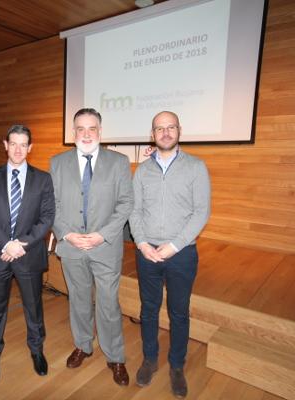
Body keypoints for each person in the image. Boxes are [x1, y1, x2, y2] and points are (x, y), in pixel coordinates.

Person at [129, 111, 211, 398]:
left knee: (179, 312)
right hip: (147, 253)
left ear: (179, 130)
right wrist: (141, 243)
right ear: (152, 134)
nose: (165, 132)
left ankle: (177, 366)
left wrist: (175, 245)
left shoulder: (196, 167)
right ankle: (150, 359)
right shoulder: (142, 171)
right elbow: (134, 211)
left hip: (181, 254)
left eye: (171, 127)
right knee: (148, 309)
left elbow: (201, 212)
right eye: (160, 128)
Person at [50, 108, 134, 386]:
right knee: (79, 299)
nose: (86, 134)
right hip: (72, 246)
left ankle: (115, 356)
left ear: (100, 131)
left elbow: (125, 203)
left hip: (105, 246)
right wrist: (67, 234)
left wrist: (102, 235)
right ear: (73, 132)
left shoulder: (119, 162)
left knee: (108, 303)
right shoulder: (58, 162)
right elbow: (52, 204)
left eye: (92, 128)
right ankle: (83, 345)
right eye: (80, 129)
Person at [0, 125, 55, 383]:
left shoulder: (43, 179)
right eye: (13, 144)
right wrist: (5, 245)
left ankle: (37, 349)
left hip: (28, 254)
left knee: (34, 306)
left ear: (30, 147)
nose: (18, 149)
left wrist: (21, 244)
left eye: (23, 144)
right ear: (5, 145)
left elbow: (47, 217)